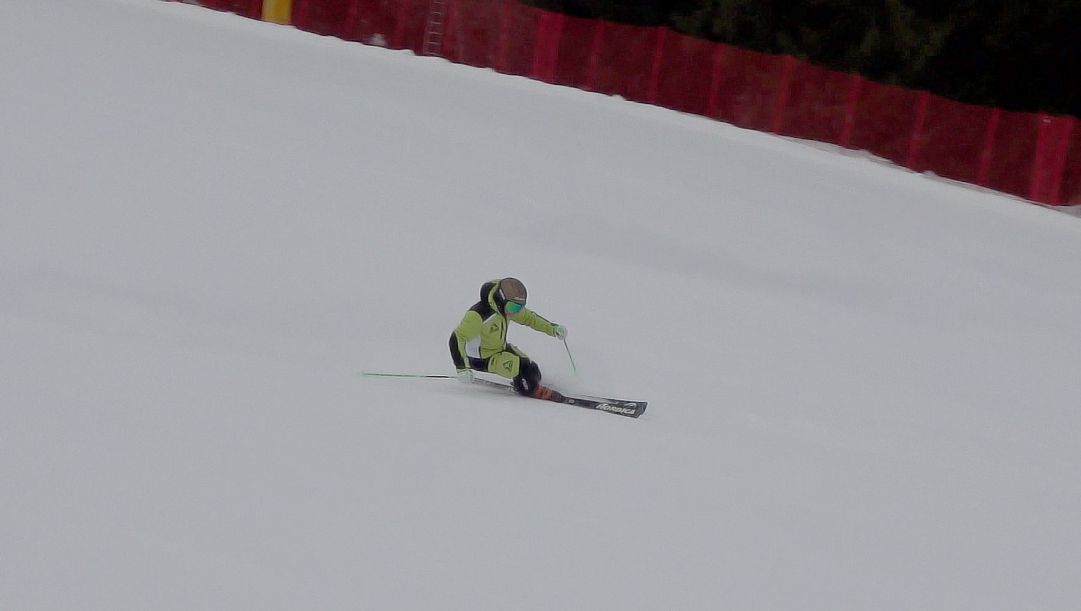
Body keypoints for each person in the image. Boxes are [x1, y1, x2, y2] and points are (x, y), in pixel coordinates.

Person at [449, 277, 567, 396]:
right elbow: (456, 338)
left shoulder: (507, 308)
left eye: (518, 308)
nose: (515, 312)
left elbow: (530, 319)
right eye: (513, 307)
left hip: (500, 348)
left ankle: (529, 382)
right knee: (519, 370)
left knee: (532, 369)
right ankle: (528, 388)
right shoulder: (478, 315)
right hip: (482, 358)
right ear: (501, 299)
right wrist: (461, 367)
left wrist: (553, 329)